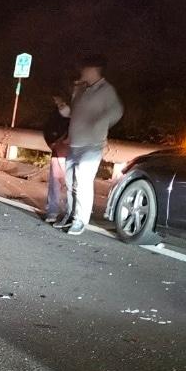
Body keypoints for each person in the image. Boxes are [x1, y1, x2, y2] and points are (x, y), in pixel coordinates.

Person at [59, 54, 123, 236]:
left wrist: (101, 122)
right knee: (70, 181)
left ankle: (80, 220)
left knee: (83, 181)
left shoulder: (106, 90)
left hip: (92, 145)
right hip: (75, 143)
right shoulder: (80, 90)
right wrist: (64, 109)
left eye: (85, 69)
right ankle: (70, 215)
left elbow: (116, 111)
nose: (82, 72)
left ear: (93, 70)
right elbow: (74, 113)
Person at [41, 92, 71, 224]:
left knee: (66, 184)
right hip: (61, 151)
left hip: (69, 152)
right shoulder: (56, 115)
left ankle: (63, 212)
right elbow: (48, 129)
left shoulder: (76, 112)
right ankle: (54, 211)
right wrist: (53, 143)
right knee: (57, 183)